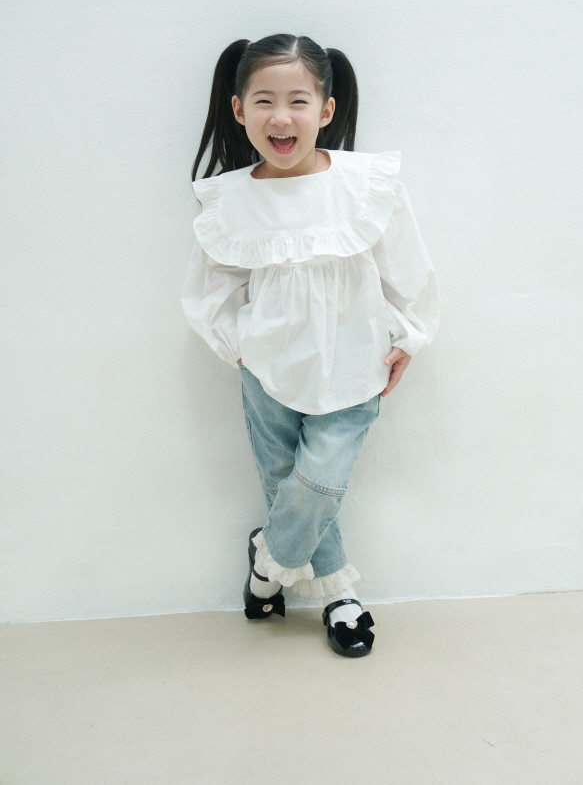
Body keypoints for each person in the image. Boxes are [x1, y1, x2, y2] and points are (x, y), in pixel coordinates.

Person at [181, 34, 439, 657]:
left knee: (318, 482)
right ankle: (339, 597)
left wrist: (410, 334)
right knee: (282, 482)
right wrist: (240, 347)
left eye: (298, 100)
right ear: (239, 109)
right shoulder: (232, 197)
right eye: (264, 100)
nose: (281, 116)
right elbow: (210, 289)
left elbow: (408, 266)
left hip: (355, 363)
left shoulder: (365, 184)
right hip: (266, 368)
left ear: (325, 109)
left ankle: (267, 563)